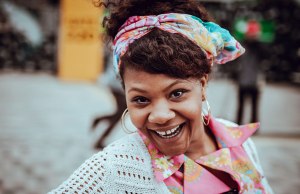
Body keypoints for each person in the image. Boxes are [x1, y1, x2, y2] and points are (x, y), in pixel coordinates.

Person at [49, 1, 273, 193]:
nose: (160, 116)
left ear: (202, 85)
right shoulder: (115, 168)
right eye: (141, 99)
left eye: (176, 93)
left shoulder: (242, 143)